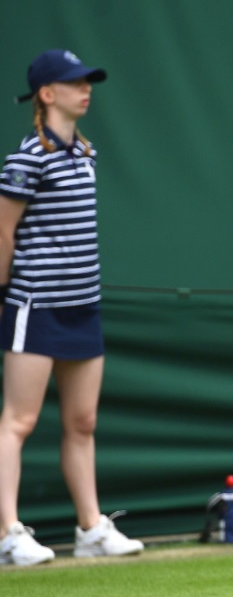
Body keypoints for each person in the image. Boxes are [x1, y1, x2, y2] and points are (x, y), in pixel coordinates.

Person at [0, 50, 144, 567]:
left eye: (88, 82)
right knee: (18, 421)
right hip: (34, 306)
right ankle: (8, 534)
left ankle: (90, 529)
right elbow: (4, 231)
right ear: (47, 93)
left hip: (83, 306)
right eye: (74, 82)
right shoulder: (25, 160)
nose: (86, 90)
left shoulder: (86, 153)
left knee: (82, 422)